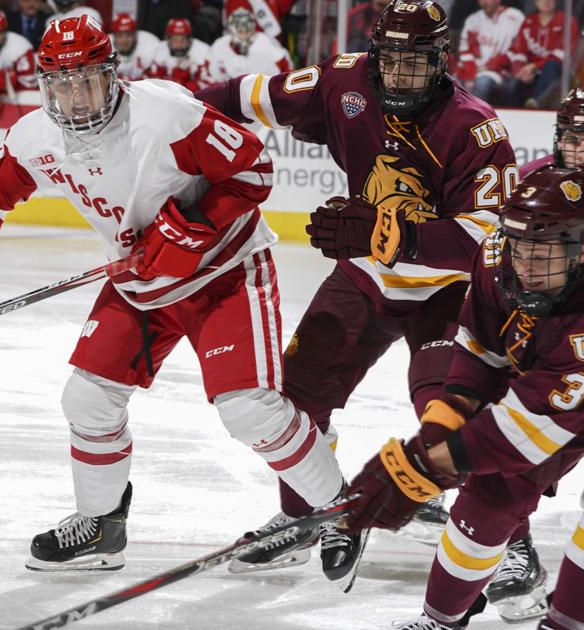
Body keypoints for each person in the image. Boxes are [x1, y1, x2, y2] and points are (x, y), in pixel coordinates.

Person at [0, 15, 345, 574]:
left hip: (224, 273)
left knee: (249, 412)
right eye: (59, 83)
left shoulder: (168, 114)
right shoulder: (34, 137)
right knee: (87, 400)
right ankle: (101, 525)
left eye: (84, 79)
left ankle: (342, 512)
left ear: (112, 74)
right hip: (142, 285)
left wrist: (191, 226)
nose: (73, 96)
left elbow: (255, 170)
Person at [195, 0, 517, 574]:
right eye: (389, 61)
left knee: (456, 416)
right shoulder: (343, 79)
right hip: (364, 279)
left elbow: (491, 240)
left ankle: (511, 547)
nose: (399, 76)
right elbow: (251, 96)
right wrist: (171, 118)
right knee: (295, 400)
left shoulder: (475, 126)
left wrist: (392, 234)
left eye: (415, 63)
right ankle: (304, 516)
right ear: (374, 56)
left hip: (446, 295)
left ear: (442, 60)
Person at [339, 165, 584, 630]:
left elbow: (520, 431)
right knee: (490, 495)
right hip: (555, 383)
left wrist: (424, 465)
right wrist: (440, 429)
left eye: (543, 253)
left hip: (564, 384)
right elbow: (480, 352)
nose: (526, 265)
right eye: (520, 248)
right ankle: (439, 620)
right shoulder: (498, 257)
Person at [498, 0, 579, 109]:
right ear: (535, 2)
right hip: (533, 71)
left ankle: (536, 105)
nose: (546, 1)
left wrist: (535, 66)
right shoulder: (529, 22)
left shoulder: (568, 22)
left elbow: (562, 54)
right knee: (516, 84)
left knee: (551, 65)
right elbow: (519, 51)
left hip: (560, 72)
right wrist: (520, 70)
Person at [455, 0, 524, 104]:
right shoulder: (473, 19)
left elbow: (519, 49)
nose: (483, 3)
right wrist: (470, 75)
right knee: (450, 82)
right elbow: (465, 50)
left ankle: (476, 118)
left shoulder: (515, 17)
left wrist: (490, 66)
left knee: (482, 83)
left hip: (500, 71)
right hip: (472, 69)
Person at [207, 9, 291, 83]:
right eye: (240, 30)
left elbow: (286, 74)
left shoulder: (267, 44)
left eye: (247, 29)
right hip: (229, 96)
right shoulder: (219, 45)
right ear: (231, 29)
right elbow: (210, 78)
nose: (244, 33)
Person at [147, 18, 214, 92]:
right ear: (168, 39)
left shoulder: (202, 52)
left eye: (182, 39)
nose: (178, 44)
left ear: (189, 39)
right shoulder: (160, 50)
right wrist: (179, 75)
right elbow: (153, 84)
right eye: (175, 39)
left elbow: (206, 88)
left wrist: (179, 79)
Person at [110, 13, 159, 82]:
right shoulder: (106, 49)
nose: (124, 40)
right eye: (120, 36)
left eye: (128, 35)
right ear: (114, 36)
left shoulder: (148, 45)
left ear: (135, 36)